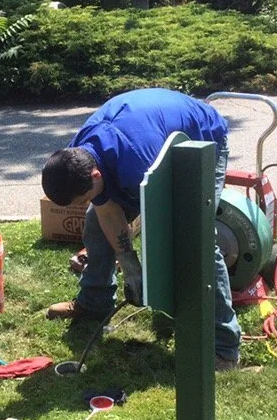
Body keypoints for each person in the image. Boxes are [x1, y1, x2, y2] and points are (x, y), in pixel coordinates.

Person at [41, 87, 242, 371]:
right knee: (96, 224)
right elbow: (106, 210)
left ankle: (224, 347)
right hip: (147, 143)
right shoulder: (78, 154)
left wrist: (151, 280)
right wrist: (130, 264)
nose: (87, 201)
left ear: (95, 175)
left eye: (84, 197)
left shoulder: (137, 162)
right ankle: (95, 303)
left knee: (195, 238)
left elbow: (160, 227)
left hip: (202, 138)